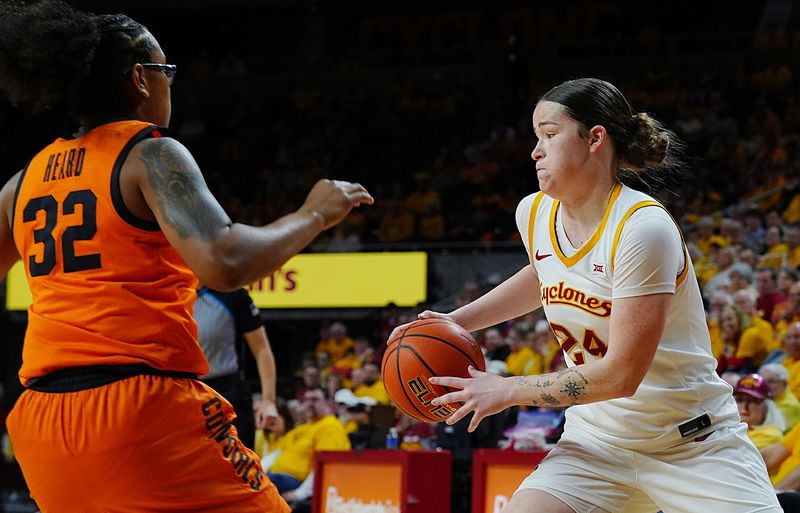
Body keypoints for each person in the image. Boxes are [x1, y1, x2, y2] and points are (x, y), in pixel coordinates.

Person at [0, 2, 373, 512]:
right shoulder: (148, 152)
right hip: (138, 408)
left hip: (41, 424)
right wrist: (314, 214)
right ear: (140, 78)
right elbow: (225, 261)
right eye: (166, 71)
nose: (170, 84)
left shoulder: (21, 184)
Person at [393, 78, 781, 512]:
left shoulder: (642, 228)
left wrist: (508, 389)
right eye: (536, 137)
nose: (535, 151)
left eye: (549, 134)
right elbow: (543, 274)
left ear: (595, 138)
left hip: (691, 443)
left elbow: (621, 376)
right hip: (597, 444)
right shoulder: (533, 211)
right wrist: (453, 322)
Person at [194, 285, 278, 450]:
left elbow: (262, 349)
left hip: (227, 394)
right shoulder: (170, 291)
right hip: (183, 394)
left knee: (237, 462)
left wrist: (268, 400)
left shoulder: (232, 295)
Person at [734, 374, 785, 449]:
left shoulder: (771, 435)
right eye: (739, 399)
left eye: (753, 400)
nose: (744, 406)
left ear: (766, 406)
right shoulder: (733, 428)